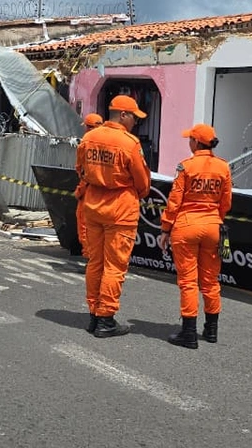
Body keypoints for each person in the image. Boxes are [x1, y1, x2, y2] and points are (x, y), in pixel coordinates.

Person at [75, 95, 151, 338]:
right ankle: (106, 319)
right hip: (120, 210)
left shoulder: (89, 137)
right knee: (114, 266)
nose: (135, 123)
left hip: (94, 206)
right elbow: (142, 182)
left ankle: (94, 315)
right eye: (134, 118)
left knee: (95, 263)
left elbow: (81, 170)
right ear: (124, 115)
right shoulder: (129, 143)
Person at [160, 123, 232, 349]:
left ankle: (188, 333)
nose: (188, 142)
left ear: (196, 142)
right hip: (213, 226)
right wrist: (214, 218)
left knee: (189, 282)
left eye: (190, 139)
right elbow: (226, 202)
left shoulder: (186, 166)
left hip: (186, 226)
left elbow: (174, 200)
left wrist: (165, 229)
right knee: (210, 281)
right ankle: (211, 331)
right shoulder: (223, 167)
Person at [73, 113, 105, 259]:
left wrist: (80, 191)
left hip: (89, 192)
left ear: (87, 127)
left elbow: (82, 171)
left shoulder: (86, 143)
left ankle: (90, 259)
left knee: (85, 227)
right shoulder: (109, 141)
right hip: (108, 195)